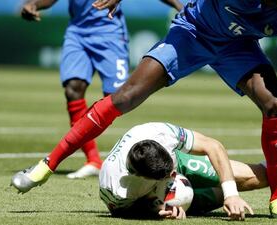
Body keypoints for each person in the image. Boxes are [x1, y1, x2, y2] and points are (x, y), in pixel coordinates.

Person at [11, 0, 277, 221]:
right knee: (125, 97)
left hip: (236, 47)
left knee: (274, 105)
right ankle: (45, 167)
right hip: (192, 33)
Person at [12, 122, 277, 220]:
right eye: (166, 176)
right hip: (155, 196)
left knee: (250, 177)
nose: (171, 176)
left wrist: (229, 191)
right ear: (145, 180)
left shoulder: (154, 135)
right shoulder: (119, 192)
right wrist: (162, 211)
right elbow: (130, 212)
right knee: (199, 193)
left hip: (172, 165)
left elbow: (214, 146)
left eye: (170, 170)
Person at [19, 0, 184, 179]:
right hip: (77, 33)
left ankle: (141, 156)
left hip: (110, 33)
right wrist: (34, 4)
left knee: (118, 99)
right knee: (73, 89)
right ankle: (93, 161)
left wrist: (177, 5)